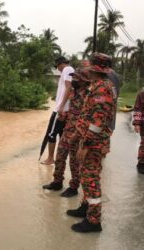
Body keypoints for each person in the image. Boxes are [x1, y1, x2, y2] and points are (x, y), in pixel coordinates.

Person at [66, 65, 114, 233]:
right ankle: (85, 208)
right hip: (88, 140)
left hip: (93, 144)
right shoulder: (97, 86)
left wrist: (86, 145)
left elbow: (97, 123)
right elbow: (87, 117)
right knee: (87, 178)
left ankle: (94, 221)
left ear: (94, 71)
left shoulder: (102, 89)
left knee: (90, 180)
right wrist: (78, 137)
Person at [42, 68, 90, 197]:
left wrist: (79, 135)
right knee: (59, 157)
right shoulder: (72, 94)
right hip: (67, 131)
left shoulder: (88, 97)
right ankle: (57, 182)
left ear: (85, 82)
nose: (74, 80)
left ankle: (73, 188)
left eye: (77, 79)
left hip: (78, 134)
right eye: (73, 78)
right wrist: (64, 115)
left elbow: (88, 118)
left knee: (74, 162)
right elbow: (73, 112)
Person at [41, 56, 74, 165]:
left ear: (61, 64)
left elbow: (69, 88)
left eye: (57, 67)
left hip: (60, 110)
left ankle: (50, 159)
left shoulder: (67, 69)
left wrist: (61, 106)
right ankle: (60, 161)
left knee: (51, 134)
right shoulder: (70, 70)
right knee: (62, 135)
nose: (58, 69)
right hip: (65, 110)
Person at [90, 52, 121, 130]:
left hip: (100, 123)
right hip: (107, 121)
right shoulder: (113, 74)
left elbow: (101, 103)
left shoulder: (106, 77)